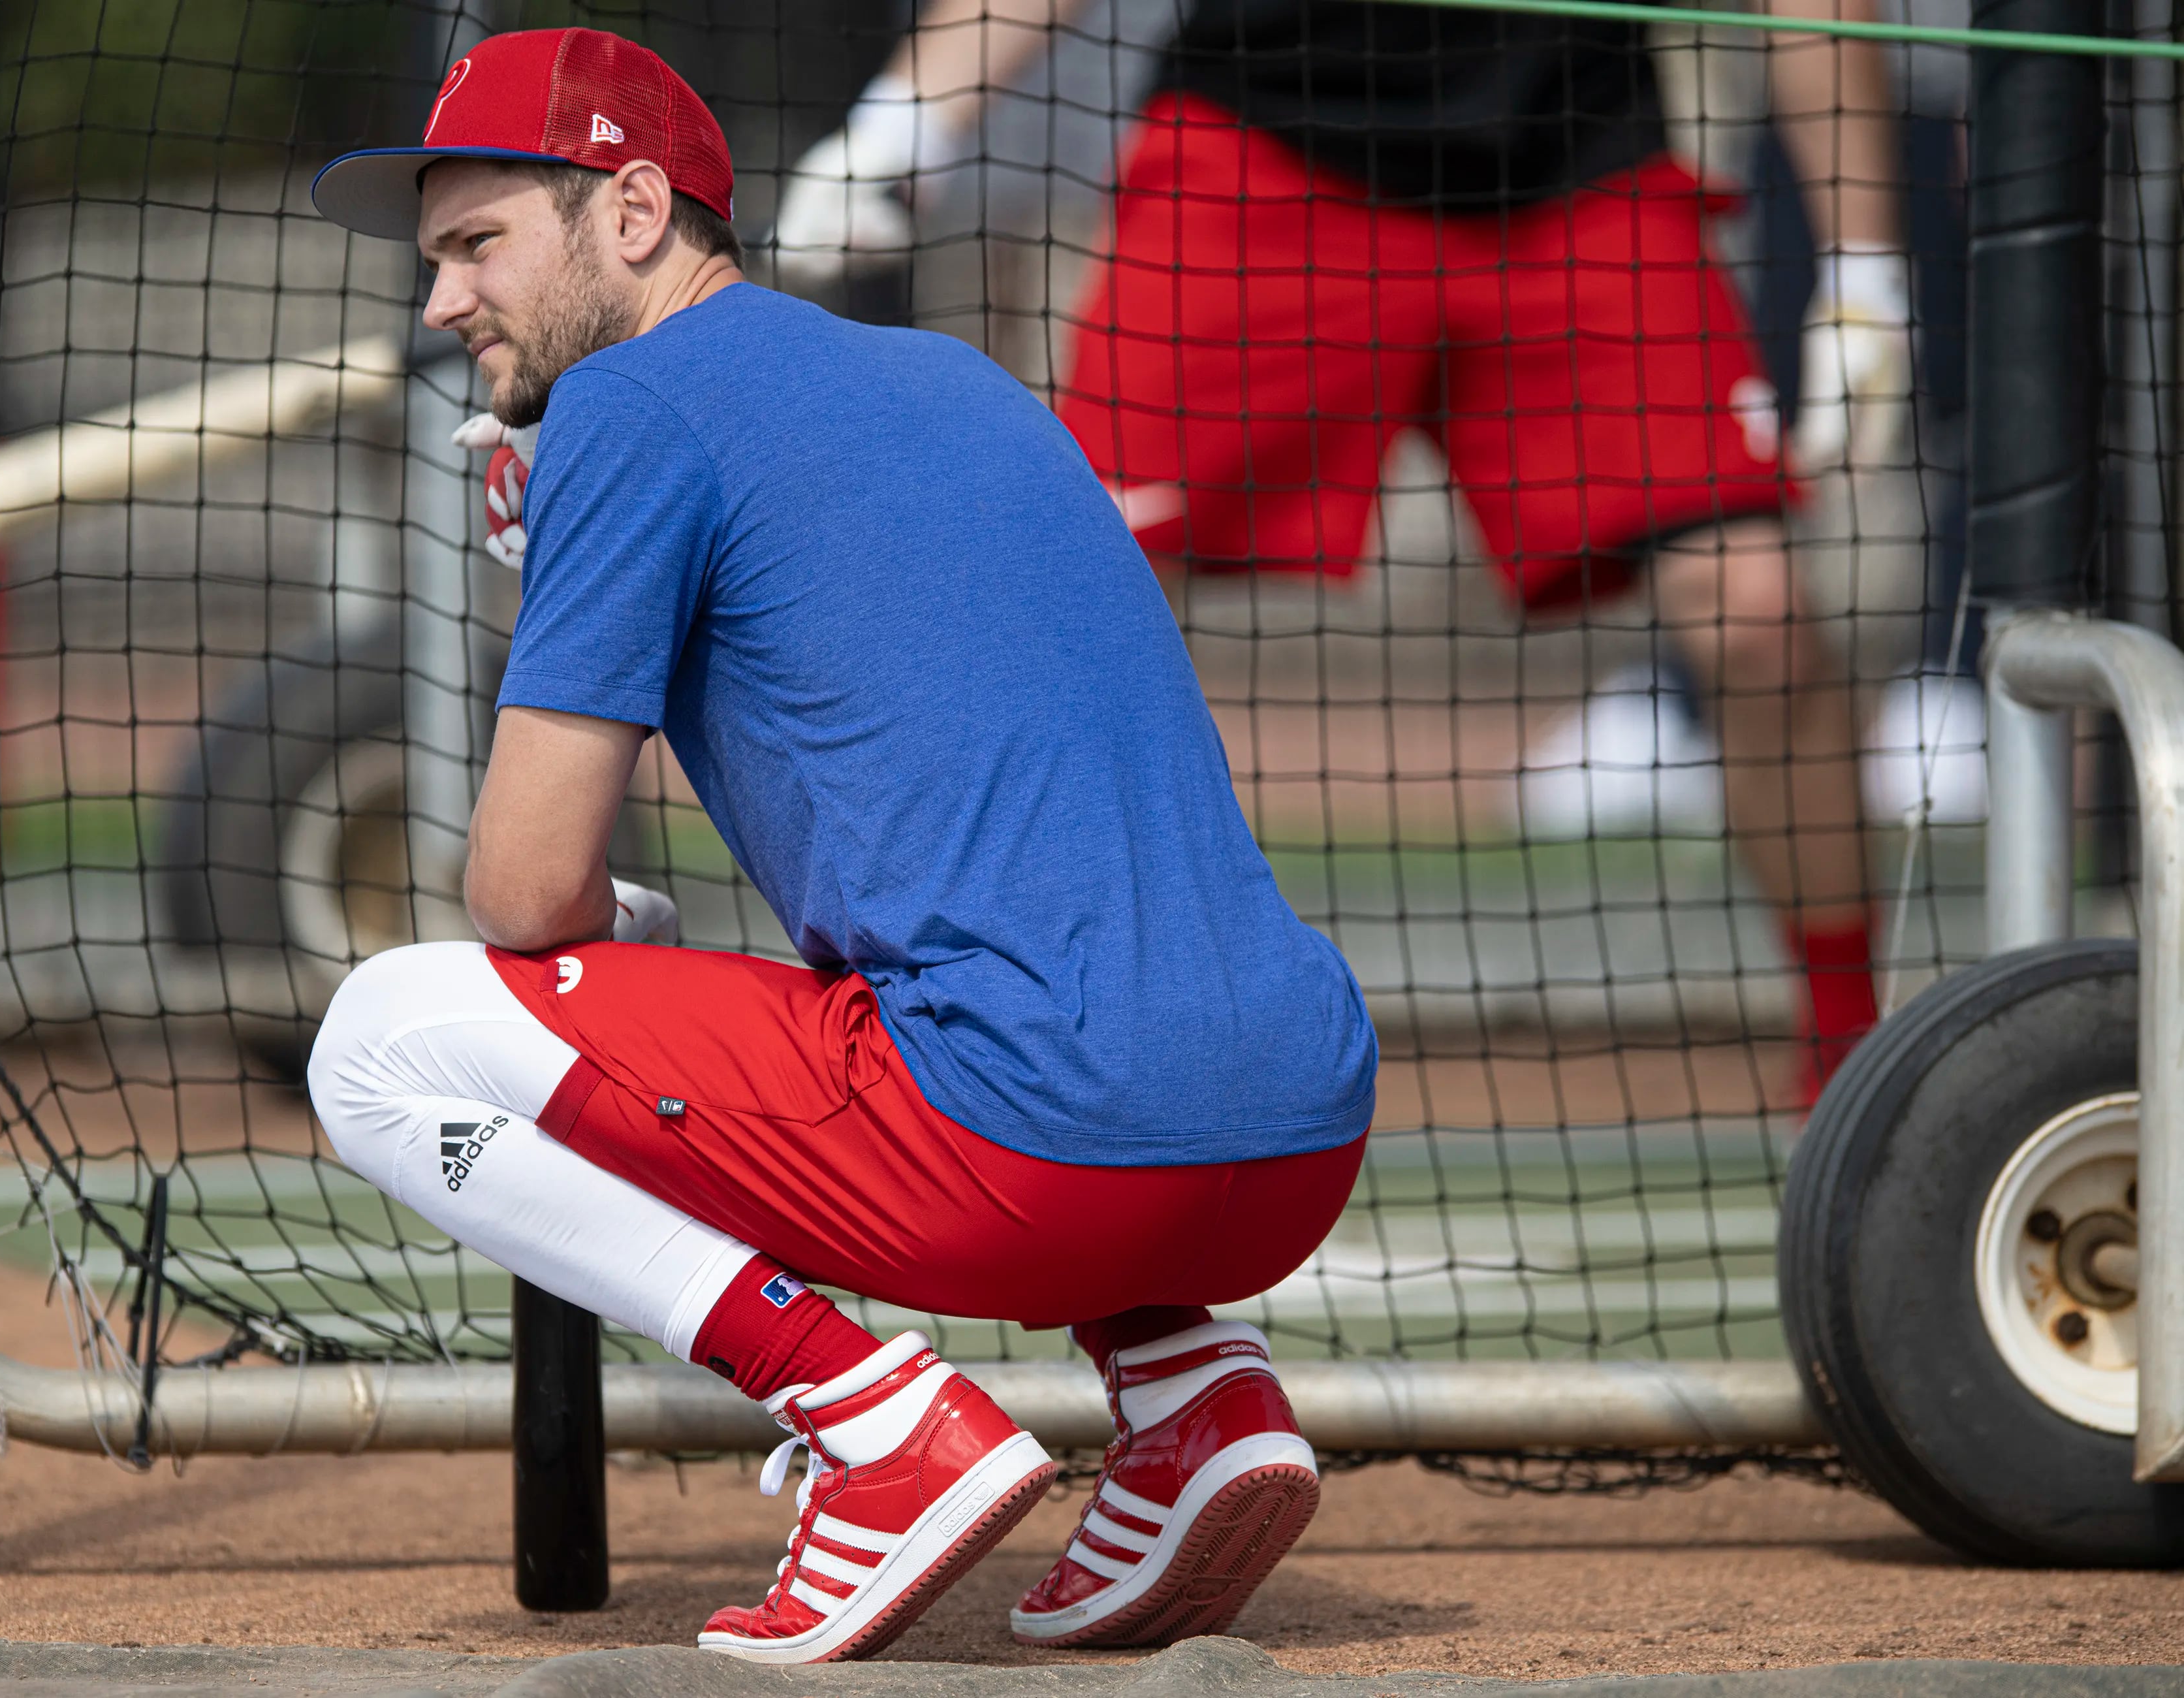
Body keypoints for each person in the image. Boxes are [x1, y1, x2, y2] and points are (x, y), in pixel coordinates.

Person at [306, 27, 1380, 1664]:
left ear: (637, 211)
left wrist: (614, 920)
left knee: (379, 1044)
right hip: (1295, 1132)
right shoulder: (953, 374)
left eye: (478, 245)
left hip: (1034, 1160)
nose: (443, 302)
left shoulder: (629, 410)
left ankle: (871, 1418)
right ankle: (1192, 1392)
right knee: (978, 940)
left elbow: (524, 892)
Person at [778, 0, 1910, 1096]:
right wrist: (906, 120)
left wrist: (1867, 267)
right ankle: (977, 1040)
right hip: (1266, 151)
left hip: (1577, 164)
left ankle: (1858, 1052)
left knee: (1757, 609)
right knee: (1068, 596)